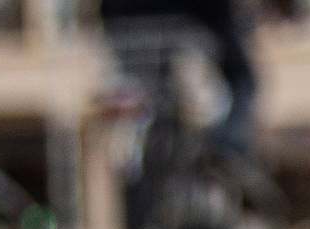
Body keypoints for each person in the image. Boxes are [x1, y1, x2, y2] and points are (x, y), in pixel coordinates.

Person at [99, 0, 260, 165]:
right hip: (177, 47)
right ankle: (225, 154)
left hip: (142, 52)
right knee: (238, 85)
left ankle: (224, 154)